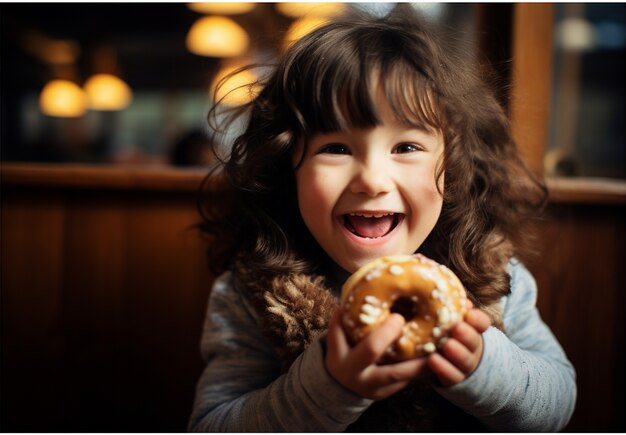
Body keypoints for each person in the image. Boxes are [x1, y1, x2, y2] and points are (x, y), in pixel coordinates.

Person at [189, 7, 576, 432]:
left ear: (454, 167)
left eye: (407, 147)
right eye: (335, 148)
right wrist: (329, 385)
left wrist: (484, 364)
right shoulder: (252, 292)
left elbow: (558, 403)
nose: (372, 180)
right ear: (287, 168)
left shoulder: (495, 279)